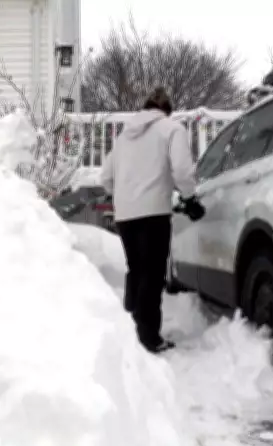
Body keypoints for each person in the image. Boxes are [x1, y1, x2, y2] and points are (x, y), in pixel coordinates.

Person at [100, 87, 197, 354]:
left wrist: (123, 194)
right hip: (154, 212)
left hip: (125, 214)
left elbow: (105, 177)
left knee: (136, 270)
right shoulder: (171, 129)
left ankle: (131, 326)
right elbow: (182, 169)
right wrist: (189, 196)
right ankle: (149, 337)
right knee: (152, 276)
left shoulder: (123, 137)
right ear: (167, 110)